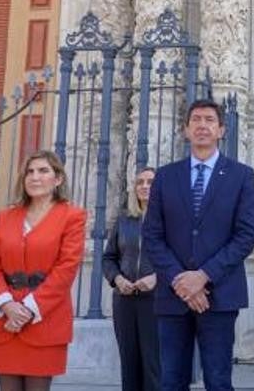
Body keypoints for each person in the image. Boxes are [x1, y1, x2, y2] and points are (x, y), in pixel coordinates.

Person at [142, 99, 254, 391]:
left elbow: (245, 235)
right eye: (196, 119)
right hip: (173, 295)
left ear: (221, 129)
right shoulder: (166, 177)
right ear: (185, 130)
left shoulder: (241, 176)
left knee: (218, 380)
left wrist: (203, 276)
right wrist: (181, 281)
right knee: (171, 380)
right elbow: (153, 235)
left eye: (209, 120)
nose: (202, 125)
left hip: (219, 294)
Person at [0, 150, 86, 390]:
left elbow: (66, 268)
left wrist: (27, 309)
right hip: (5, 321)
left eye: (43, 171)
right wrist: (7, 305)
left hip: (45, 319)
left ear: (58, 179)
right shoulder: (5, 216)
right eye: (30, 171)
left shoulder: (72, 216)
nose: (35, 177)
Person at [103, 167, 161, 391]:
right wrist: (117, 279)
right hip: (125, 301)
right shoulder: (125, 220)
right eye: (140, 182)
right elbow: (109, 257)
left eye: (150, 182)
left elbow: (181, 259)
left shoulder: (169, 220)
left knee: (153, 365)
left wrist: (157, 278)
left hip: (155, 301)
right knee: (129, 364)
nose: (145, 186)